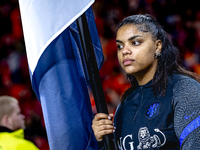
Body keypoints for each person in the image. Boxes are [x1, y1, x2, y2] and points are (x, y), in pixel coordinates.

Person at [92, 14, 200, 150]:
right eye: (120, 46)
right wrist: (102, 142)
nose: (125, 51)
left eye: (135, 42)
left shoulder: (184, 89)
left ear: (157, 46)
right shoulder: (125, 103)